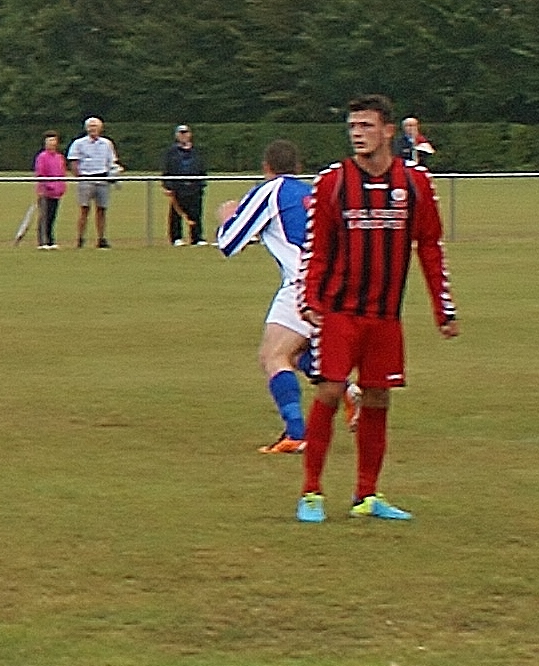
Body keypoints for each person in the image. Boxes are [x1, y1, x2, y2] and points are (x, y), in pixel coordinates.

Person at [294, 94, 458, 523]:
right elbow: (316, 249)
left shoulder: (415, 183)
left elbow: (430, 247)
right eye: (353, 126)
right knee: (330, 390)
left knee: (378, 396)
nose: (357, 134)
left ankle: (367, 494)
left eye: (366, 126)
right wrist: (308, 299)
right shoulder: (333, 182)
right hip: (339, 311)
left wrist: (443, 309)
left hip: (385, 315)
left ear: (388, 131)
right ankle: (311, 492)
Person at [214, 138, 317, 454]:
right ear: (298, 167)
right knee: (297, 355)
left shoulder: (269, 191)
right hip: (334, 282)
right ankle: (348, 392)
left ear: (266, 167)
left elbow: (229, 243)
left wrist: (227, 217)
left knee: (272, 356)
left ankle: (296, 433)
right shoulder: (311, 193)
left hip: (301, 283)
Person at [66, 116, 120, 248]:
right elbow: (73, 162)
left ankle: (101, 239)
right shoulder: (79, 143)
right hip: (86, 179)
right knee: (84, 209)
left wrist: (114, 172)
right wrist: (79, 176)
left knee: (102, 210)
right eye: (90, 126)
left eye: (95, 126)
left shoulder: (107, 144)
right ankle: (80, 239)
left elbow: (111, 161)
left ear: (100, 128)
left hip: (102, 179)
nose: (92, 129)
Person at [161, 123, 207, 245]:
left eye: (185, 133)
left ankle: (197, 237)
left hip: (194, 188)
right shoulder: (171, 152)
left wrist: (201, 184)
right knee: (176, 214)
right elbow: (167, 170)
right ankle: (176, 238)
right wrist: (167, 186)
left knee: (196, 213)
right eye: (181, 133)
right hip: (178, 188)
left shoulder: (196, 151)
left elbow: (201, 168)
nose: (183, 136)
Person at [30, 132, 67, 249]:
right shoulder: (42, 157)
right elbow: (40, 173)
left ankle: (51, 240)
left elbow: (62, 173)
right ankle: (42, 241)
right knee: (44, 217)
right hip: (45, 192)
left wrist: (61, 187)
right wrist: (48, 186)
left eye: (53, 140)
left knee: (52, 217)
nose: (52, 143)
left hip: (56, 193)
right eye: (49, 141)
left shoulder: (59, 157)